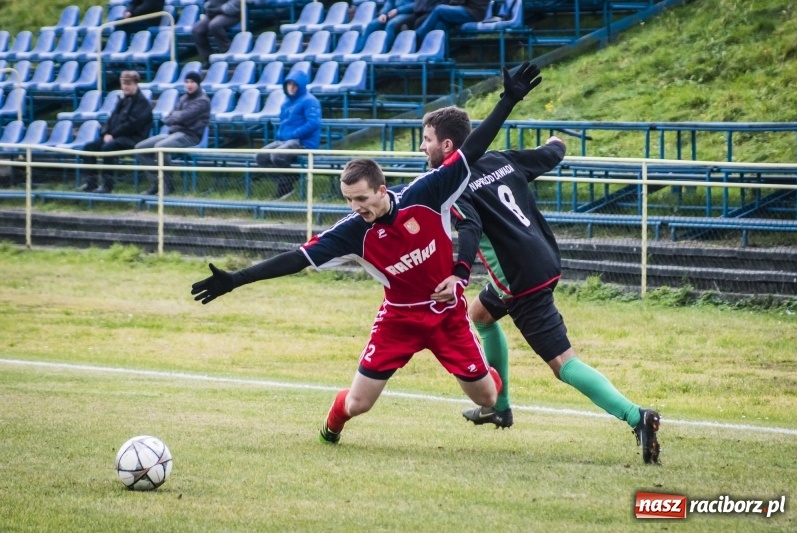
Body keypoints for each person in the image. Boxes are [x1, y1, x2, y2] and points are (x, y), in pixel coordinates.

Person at [191, 62, 544, 445]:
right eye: (349, 200)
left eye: (361, 198)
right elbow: (297, 258)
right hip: (399, 320)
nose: (356, 207)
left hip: (447, 315)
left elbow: (472, 149)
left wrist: (508, 100)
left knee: (487, 397)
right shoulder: (352, 232)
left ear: (381, 190)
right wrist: (236, 279)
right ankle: (330, 429)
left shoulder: (425, 194)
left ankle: (486, 379)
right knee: (358, 403)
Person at [422, 122, 662, 465]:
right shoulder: (500, 159)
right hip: (544, 259)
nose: (422, 147)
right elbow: (549, 155)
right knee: (480, 314)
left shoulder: (455, 184)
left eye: (427, 139)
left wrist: (459, 271)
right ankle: (499, 408)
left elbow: (470, 227)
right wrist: (556, 143)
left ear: (447, 145)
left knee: (563, 364)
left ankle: (637, 416)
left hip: (522, 282)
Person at [135, 71, 210, 196]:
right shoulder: (183, 98)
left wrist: (175, 117)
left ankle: (167, 186)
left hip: (191, 136)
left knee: (160, 147)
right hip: (175, 133)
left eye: (192, 82)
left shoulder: (202, 101)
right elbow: (170, 116)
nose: (189, 85)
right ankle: (156, 184)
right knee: (140, 148)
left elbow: (183, 117)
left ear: (198, 84)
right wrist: (175, 117)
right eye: (186, 82)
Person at [77, 71, 152, 194]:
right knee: (89, 147)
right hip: (116, 137)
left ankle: (107, 185)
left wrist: (113, 135)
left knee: (108, 148)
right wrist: (105, 133)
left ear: (135, 84)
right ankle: (91, 183)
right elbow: (111, 119)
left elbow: (131, 125)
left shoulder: (142, 103)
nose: (125, 87)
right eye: (123, 84)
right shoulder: (122, 99)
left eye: (128, 84)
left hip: (133, 138)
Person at [254, 71, 321, 199]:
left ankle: (285, 185)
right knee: (260, 157)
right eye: (289, 84)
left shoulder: (310, 101)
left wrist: (295, 134)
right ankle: (286, 183)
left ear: (301, 86)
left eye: (295, 85)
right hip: (285, 140)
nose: (291, 87)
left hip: (303, 142)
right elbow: (284, 122)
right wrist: (281, 134)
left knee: (277, 155)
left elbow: (314, 123)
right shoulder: (286, 102)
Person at [192, 0, 241, 66]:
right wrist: (210, 8)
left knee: (214, 25)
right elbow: (208, 5)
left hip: (232, 14)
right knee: (197, 29)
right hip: (214, 13)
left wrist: (215, 8)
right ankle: (208, 59)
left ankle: (227, 53)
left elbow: (232, 7)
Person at [414, 0, 490, 42]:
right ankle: (441, 54)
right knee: (440, 24)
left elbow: (458, 2)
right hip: (469, 9)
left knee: (439, 9)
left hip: (474, 13)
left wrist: (450, 2)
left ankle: (419, 35)